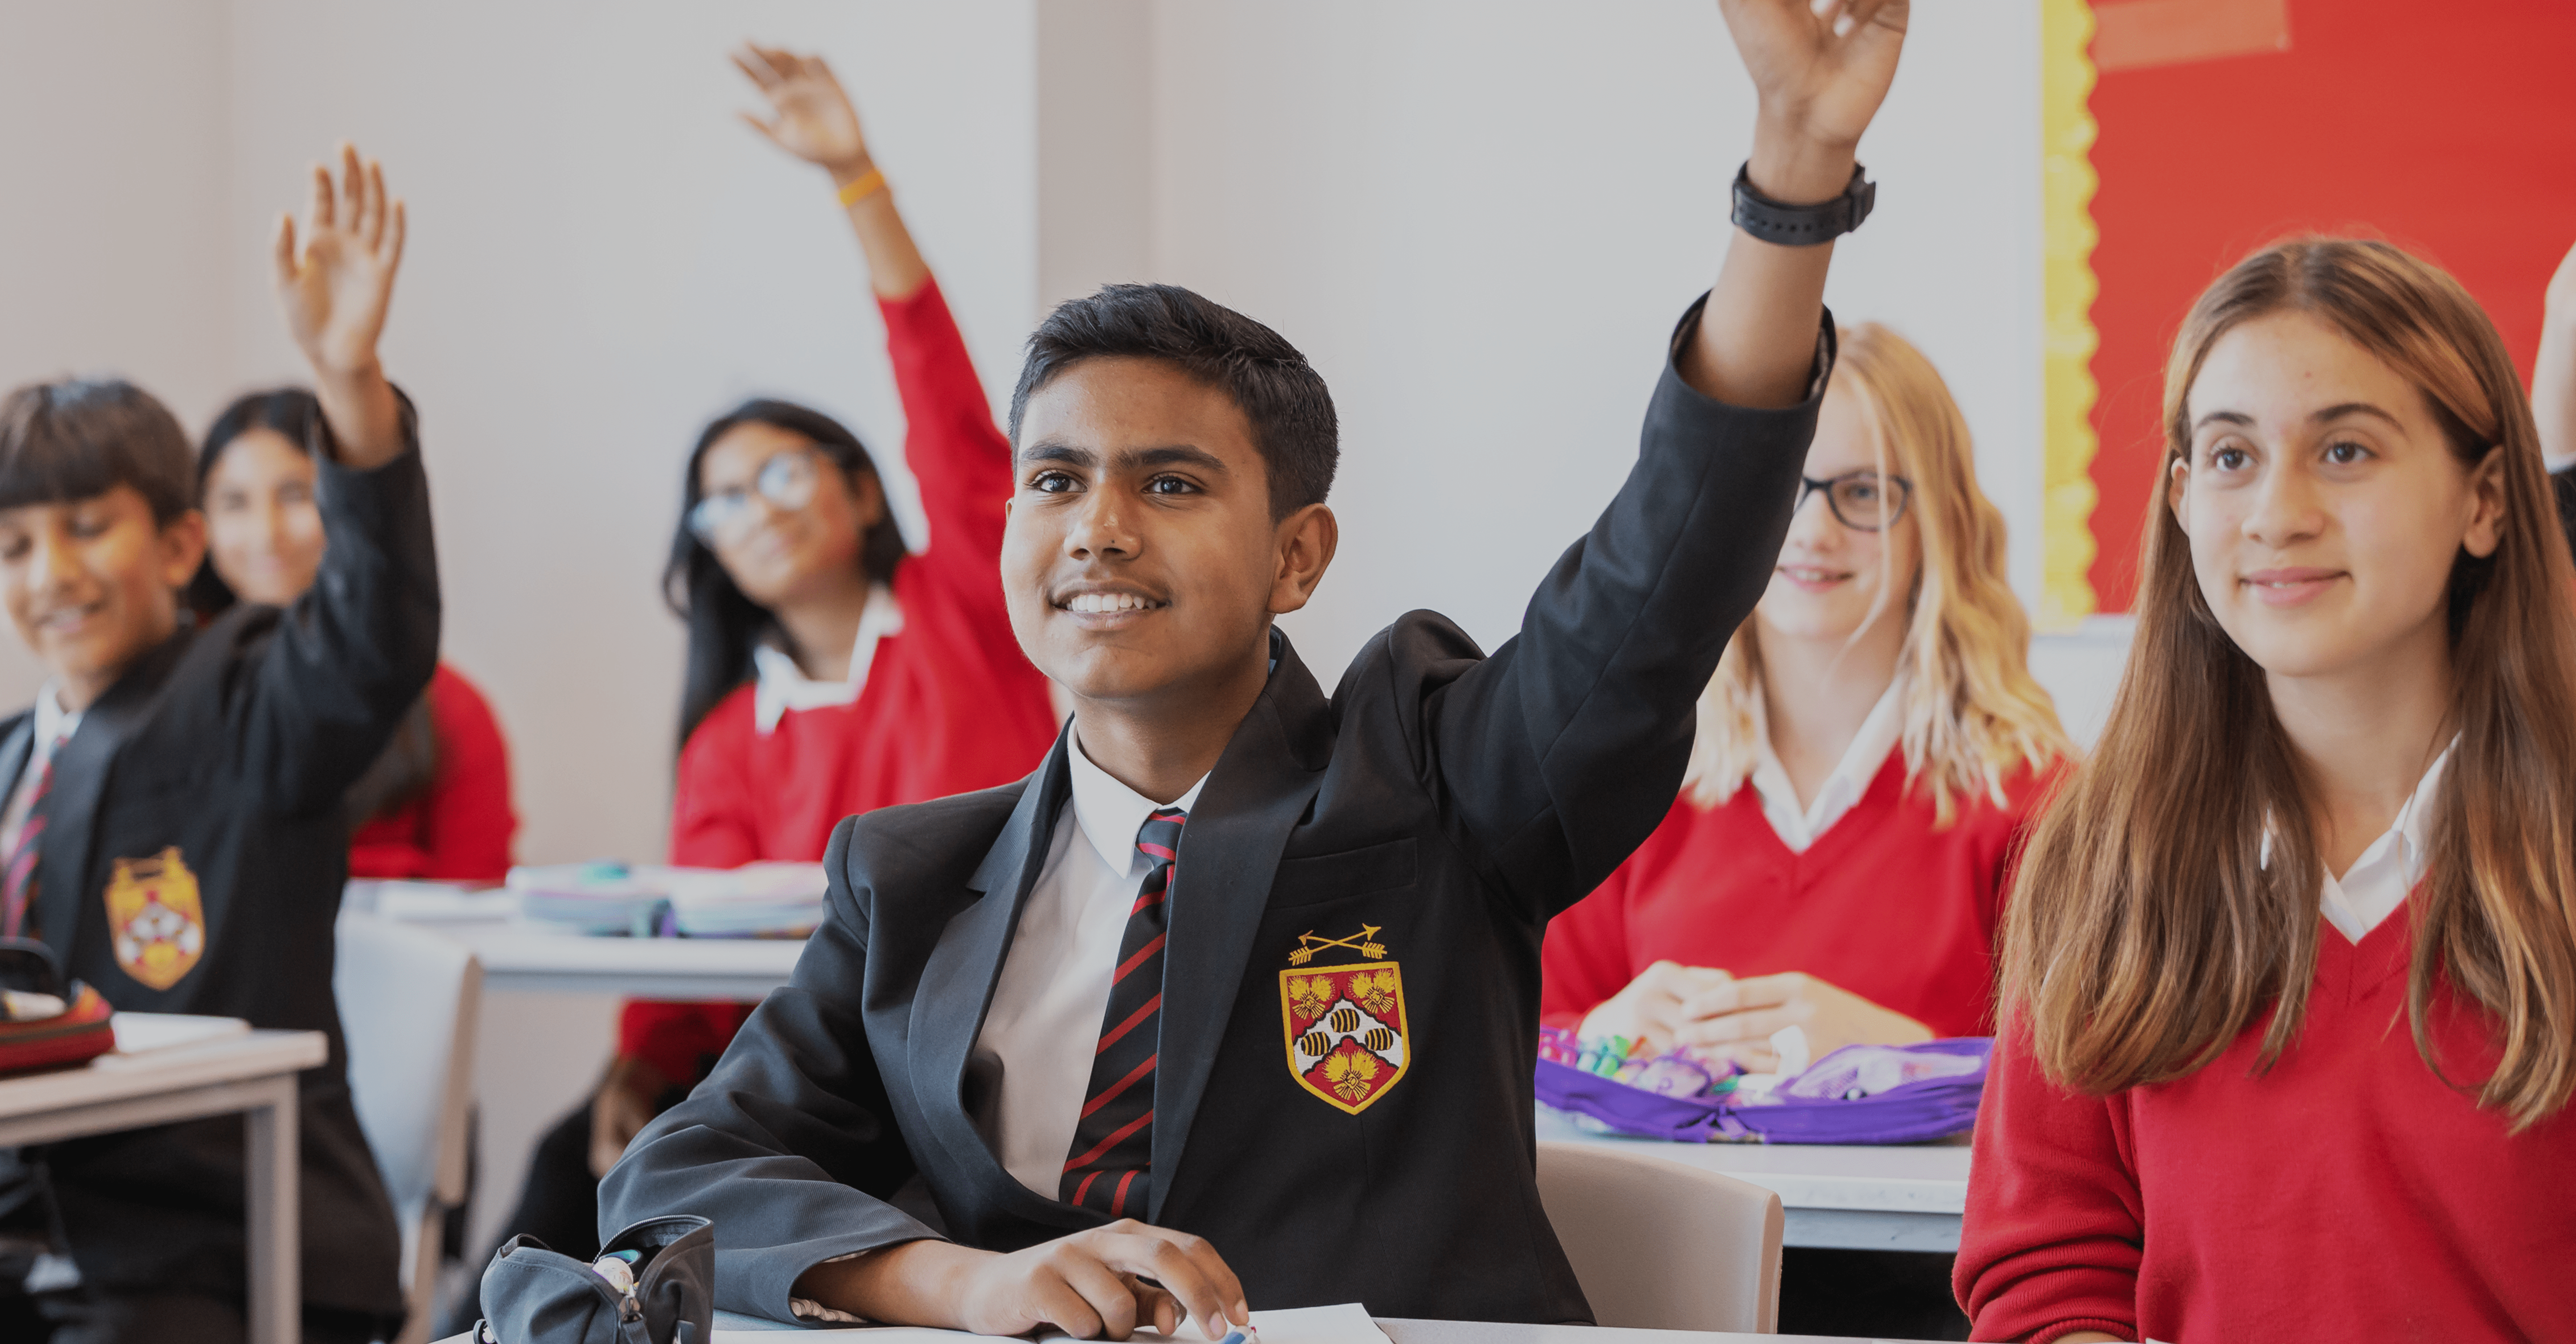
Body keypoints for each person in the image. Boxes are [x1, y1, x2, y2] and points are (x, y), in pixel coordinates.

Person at [600, 0, 1910, 1335]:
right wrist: (957, 1280)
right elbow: (677, 1176)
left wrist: (1793, 179)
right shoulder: (909, 881)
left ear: (1297, 556)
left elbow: (1658, 587)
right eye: (1054, 479)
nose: (1098, 527)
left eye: (1169, 483)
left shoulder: (1433, 785)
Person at [472, 43, 1060, 1273]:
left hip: (969, 1047)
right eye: (724, 500)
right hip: (800, 1071)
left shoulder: (964, 608)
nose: (758, 509)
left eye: (783, 472)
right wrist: (640, 1065)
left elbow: (948, 418)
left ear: (860, 489)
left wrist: (857, 182)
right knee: (569, 1172)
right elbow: (690, 958)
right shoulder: (729, 738)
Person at [1954, 238, 2576, 1342]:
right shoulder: (2102, 857)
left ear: (2484, 499)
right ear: (2183, 498)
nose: (2277, 513)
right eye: (2232, 456)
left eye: (2344, 450)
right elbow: (2049, 1266)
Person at [1540, 322, 2065, 1340]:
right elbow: (1521, 1041)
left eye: (1862, 493)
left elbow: (2095, 1096)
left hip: (1936, 1301)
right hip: (1657, 1295)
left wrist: (1905, 1059)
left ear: (1940, 523)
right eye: (1782, 489)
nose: (1814, 531)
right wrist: (1608, 1037)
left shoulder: (2040, 801)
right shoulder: (1633, 781)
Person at [0, 146, 430, 1343]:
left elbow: (373, 638)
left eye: (89, 527)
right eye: (16, 546)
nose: (52, 574)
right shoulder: (14, 760)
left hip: (225, 1238)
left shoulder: (250, 695)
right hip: (35, 1235)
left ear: (182, 546)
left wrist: (347, 381)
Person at [189, 389, 519, 882]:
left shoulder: (451, 708)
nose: (266, 533)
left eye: (295, 495)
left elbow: (477, 892)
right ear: (195, 529)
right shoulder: (173, 691)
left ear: (346, 505)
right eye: (235, 503)